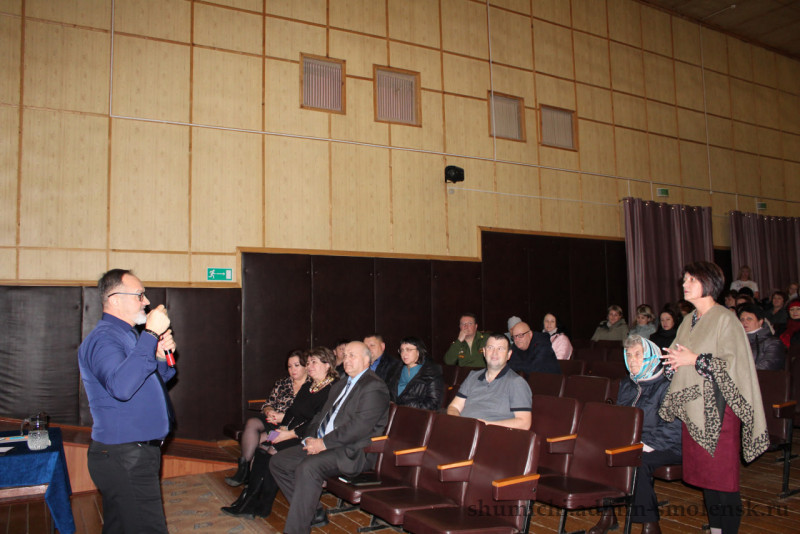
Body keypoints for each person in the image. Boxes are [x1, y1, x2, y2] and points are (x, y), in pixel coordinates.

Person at [660, 261, 769, 534]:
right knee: (708, 481)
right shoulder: (689, 320)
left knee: (724, 482)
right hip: (694, 409)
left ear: (708, 283)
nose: (684, 284)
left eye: (691, 280)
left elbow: (734, 365)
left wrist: (694, 359)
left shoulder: (725, 319)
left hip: (719, 412)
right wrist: (669, 363)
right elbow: (676, 355)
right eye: (684, 279)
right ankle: (716, 529)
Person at [78, 269, 176, 534]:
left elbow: (149, 383)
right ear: (115, 300)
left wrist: (159, 356)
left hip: (132, 453)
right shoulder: (104, 339)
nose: (146, 301)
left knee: (122, 526)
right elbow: (121, 387)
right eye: (139, 295)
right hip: (125, 455)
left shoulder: (128, 336)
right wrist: (150, 335)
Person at [269, 341, 390, 533]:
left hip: (351, 451)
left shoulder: (374, 386)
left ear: (367, 360)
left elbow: (358, 428)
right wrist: (309, 438)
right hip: (324, 443)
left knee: (308, 467)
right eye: (345, 355)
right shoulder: (341, 384)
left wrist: (323, 443)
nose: (347, 359)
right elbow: (320, 416)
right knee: (279, 462)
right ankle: (313, 511)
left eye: (352, 355)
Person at [222, 347, 338, 519]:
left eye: (314, 362)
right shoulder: (309, 386)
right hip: (286, 431)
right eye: (308, 363)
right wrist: (281, 429)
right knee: (262, 447)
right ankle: (253, 502)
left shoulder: (332, 389)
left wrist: (290, 433)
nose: (309, 366)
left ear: (327, 365)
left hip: (305, 436)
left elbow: (318, 422)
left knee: (271, 452)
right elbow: (291, 412)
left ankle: (255, 504)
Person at [590, 335, 681, 534]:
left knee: (637, 461)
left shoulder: (668, 385)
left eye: (638, 355)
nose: (632, 360)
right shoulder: (627, 384)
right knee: (599, 453)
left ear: (651, 357)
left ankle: (650, 524)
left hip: (667, 444)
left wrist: (644, 444)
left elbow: (674, 427)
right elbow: (620, 418)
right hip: (635, 443)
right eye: (629, 355)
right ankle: (607, 514)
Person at [226, 350, 309, 486]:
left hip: (289, 426)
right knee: (252, 423)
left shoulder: (312, 386)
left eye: (296, 365)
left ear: (306, 366)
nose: (292, 370)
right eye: (289, 366)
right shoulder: (283, 383)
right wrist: (269, 411)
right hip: (273, 422)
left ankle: (253, 481)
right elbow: (268, 403)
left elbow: (308, 414)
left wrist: (283, 417)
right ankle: (244, 470)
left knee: (260, 442)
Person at [447, 333, 532, 430]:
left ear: (508, 355)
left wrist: (485, 425)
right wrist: (460, 424)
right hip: (463, 430)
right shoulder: (473, 376)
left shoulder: (517, 383)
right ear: (484, 351)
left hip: (490, 435)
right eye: (490, 347)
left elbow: (524, 423)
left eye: (500, 349)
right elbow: (454, 407)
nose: (494, 353)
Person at [386, 336, 444, 411]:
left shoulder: (432, 372)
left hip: (417, 415)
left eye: (408, 350)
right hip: (393, 413)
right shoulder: (395, 369)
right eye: (402, 350)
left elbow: (433, 404)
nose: (404, 354)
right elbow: (387, 393)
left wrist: (402, 406)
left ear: (418, 351)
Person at [736, 303, 785, 371]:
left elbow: (769, 365)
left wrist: (741, 372)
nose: (745, 322)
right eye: (742, 319)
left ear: (760, 321)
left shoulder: (773, 343)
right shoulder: (735, 341)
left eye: (749, 319)